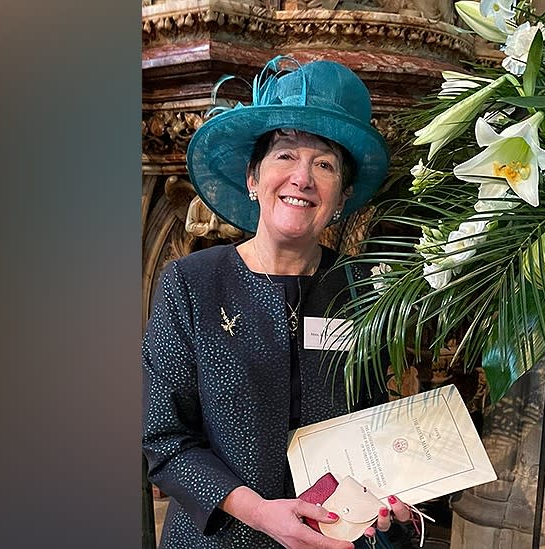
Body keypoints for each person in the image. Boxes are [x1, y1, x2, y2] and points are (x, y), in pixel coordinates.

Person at [143, 57, 413, 549]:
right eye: (285, 155)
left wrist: (397, 492)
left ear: (342, 195)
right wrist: (260, 513)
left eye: (324, 164)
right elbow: (164, 440)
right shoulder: (191, 282)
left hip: (335, 538)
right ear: (253, 177)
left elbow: (372, 424)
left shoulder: (360, 289)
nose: (302, 178)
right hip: (218, 538)